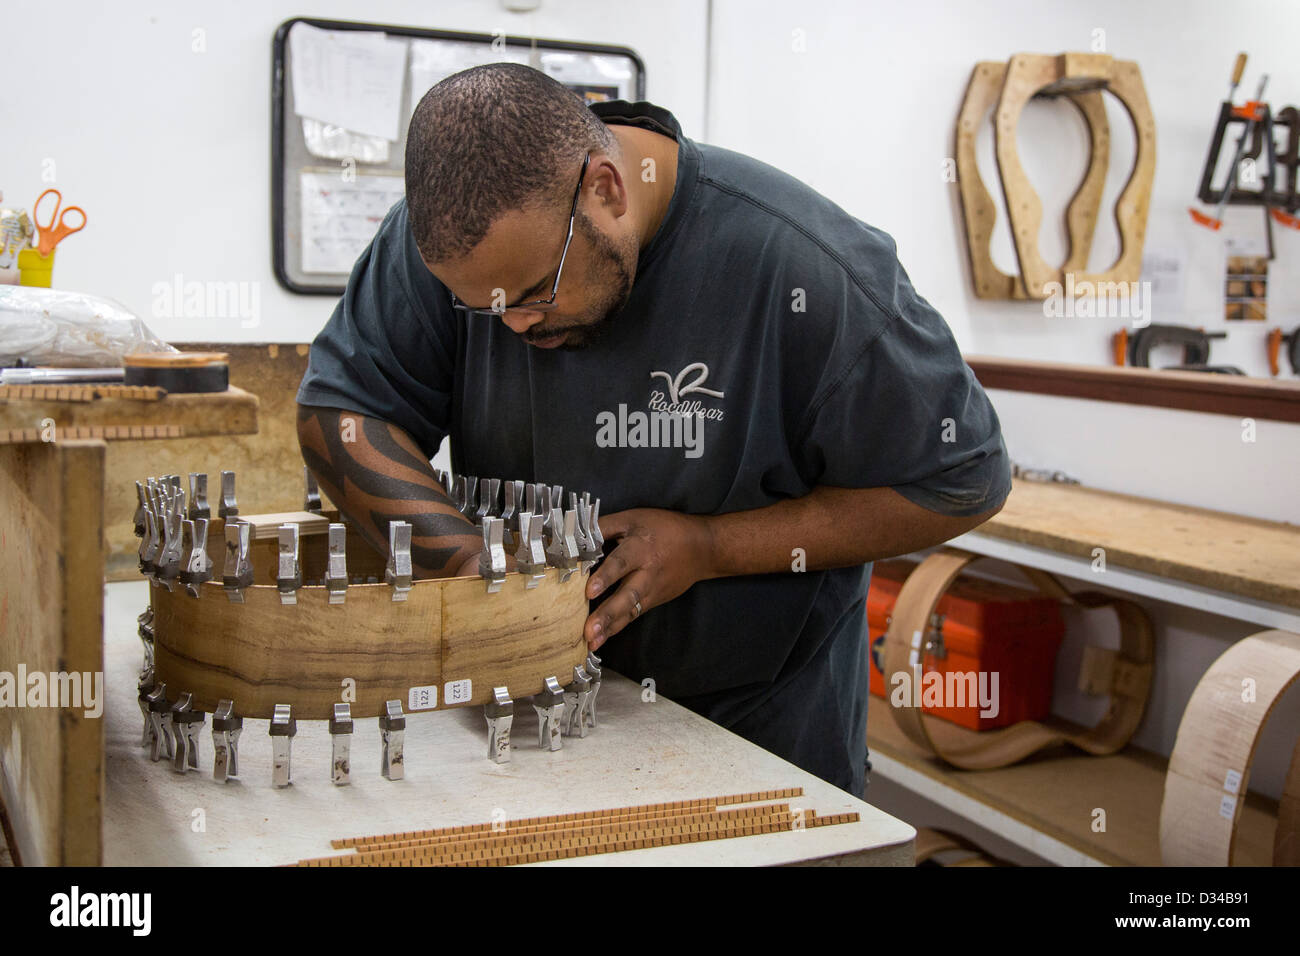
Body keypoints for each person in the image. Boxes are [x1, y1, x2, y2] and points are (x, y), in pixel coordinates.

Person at [296, 63, 1011, 798]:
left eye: (537, 293)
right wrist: (467, 563)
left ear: (607, 190)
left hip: (760, 737)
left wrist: (711, 547)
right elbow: (342, 411)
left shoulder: (806, 266)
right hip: (524, 729)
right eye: (482, 309)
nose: (512, 326)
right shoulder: (462, 240)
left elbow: (963, 480)